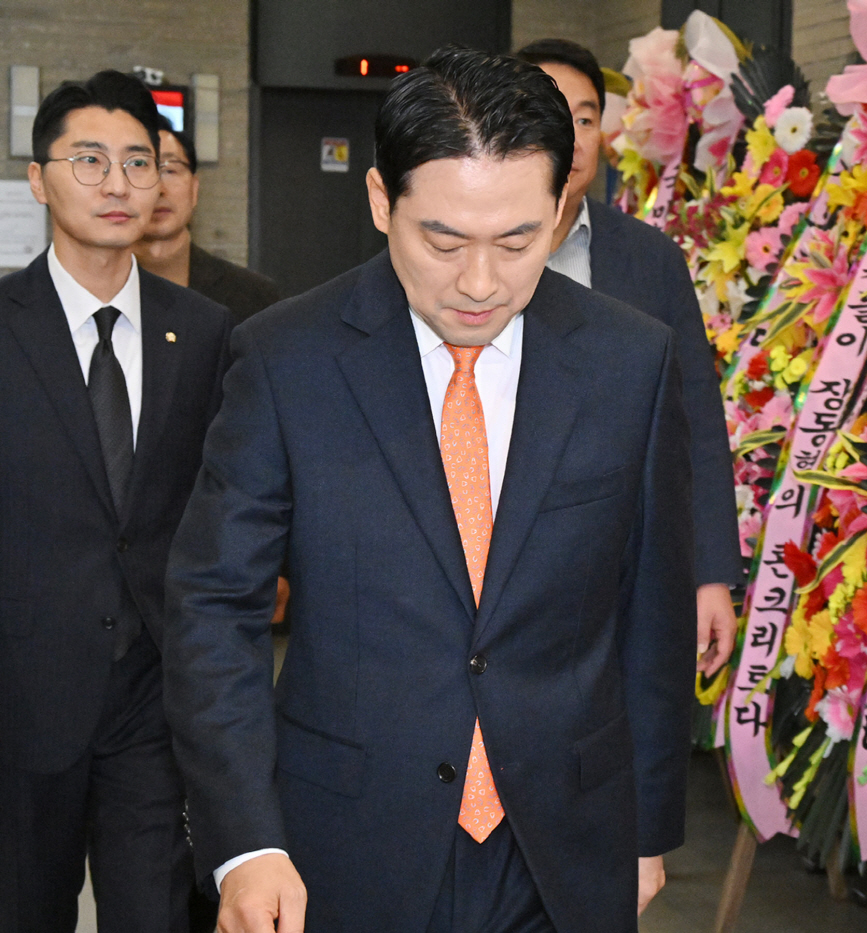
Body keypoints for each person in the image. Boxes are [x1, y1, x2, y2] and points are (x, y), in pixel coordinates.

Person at [162, 48, 695, 933]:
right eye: (443, 242)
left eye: (518, 241)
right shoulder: (288, 360)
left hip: (565, 841)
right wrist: (246, 841)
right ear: (382, 202)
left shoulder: (629, 359)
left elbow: (653, 610)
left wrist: (646, 828)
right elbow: (214, 607)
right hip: (346, 839)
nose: (480, 283)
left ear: (561, 204)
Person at [0, 70, 232, 932]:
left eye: (141, 162)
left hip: (153, 695)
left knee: (155, 912)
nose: (119, 183)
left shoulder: (203, 331)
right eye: (90, 160)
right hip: (22, 698)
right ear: (39, 179)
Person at [517, 39, 742, 677]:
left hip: (625, 573)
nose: (570, 137)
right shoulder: (464, 257)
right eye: (546, 114)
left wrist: (710, 574)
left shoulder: (652, 261)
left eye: (585, 118)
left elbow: (695, 421)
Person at [134, 119, 281, 323]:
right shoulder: (94, 289)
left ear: (194, 189)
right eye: (140, 168)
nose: (159, 189)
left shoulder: (254, 295)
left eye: (170, 171)